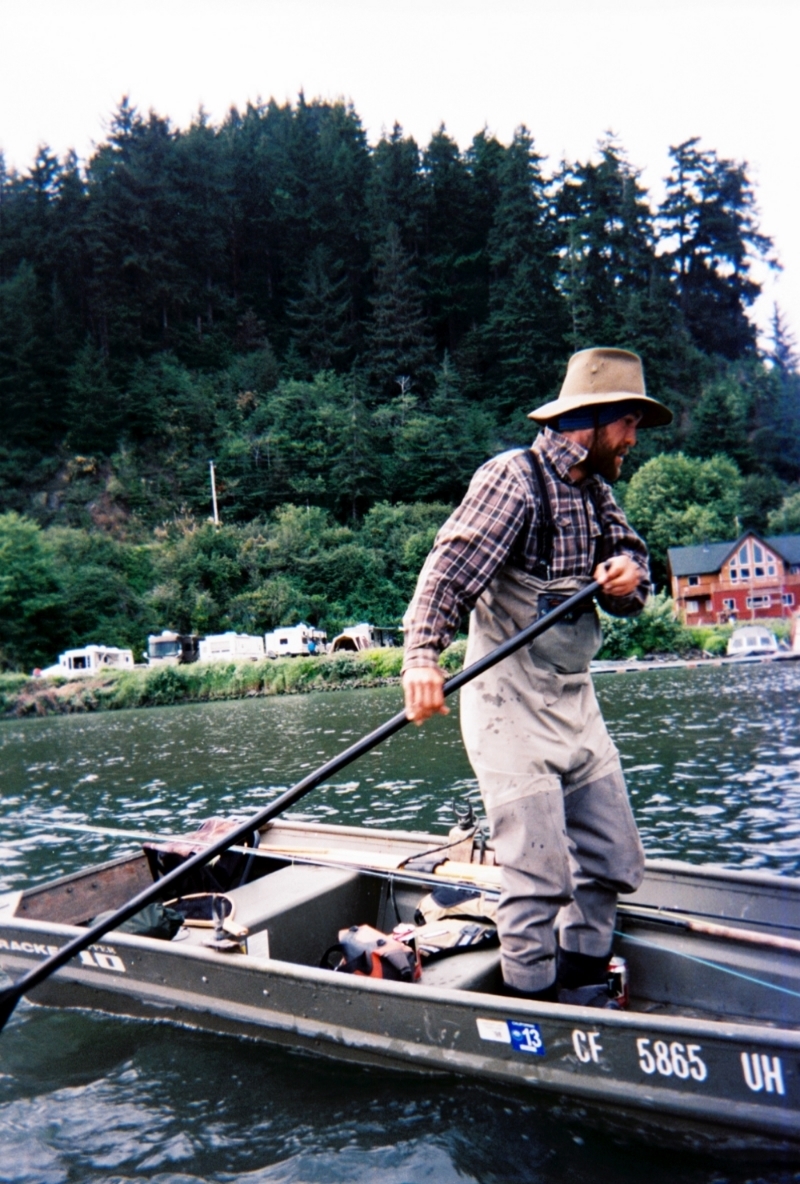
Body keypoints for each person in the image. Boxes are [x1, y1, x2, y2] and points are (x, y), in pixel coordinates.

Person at [401, 347, 672, 1006]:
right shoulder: (513, 480)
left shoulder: (597, 492)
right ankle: (532, 1018)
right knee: (538, 875)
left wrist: (630, 577)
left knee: (611, 860)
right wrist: (421, 659)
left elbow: (633, 564)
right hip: (508, 708)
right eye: (629, 424)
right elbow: (447, 571)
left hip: (574, 704)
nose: (634, 439)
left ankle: (583, 993)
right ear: (595, 418)